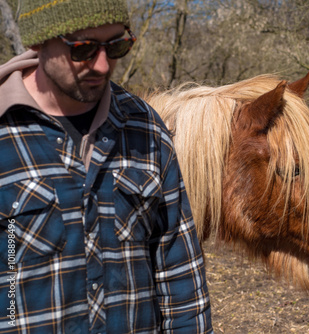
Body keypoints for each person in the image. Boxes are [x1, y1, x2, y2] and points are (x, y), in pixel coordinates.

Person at [0, 1, 212, 333]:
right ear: (39, 42)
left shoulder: (146, 129)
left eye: (116, 46)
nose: (102, 65)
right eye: (83, 49)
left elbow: (179, 278)